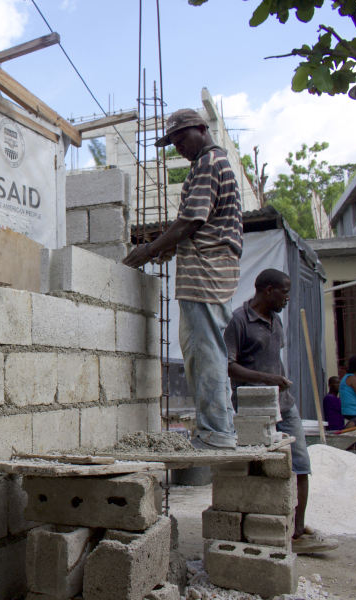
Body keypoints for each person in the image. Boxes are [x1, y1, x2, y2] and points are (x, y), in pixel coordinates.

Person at [123, 108, 243, 450]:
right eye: (173, 143)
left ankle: (217, 433)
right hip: (208, 269)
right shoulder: (212, 164)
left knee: (205, 354)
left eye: (181, 138)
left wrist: (148, 250)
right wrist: (166, 249)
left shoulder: (208, 163)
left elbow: (190, 222)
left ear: (202, 130)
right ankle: (219, 429)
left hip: (206, 272)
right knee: (205, 352)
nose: (179, 147)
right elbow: (199, 226)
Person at [223, 269, 338, 554]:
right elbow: (228, 366)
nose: (288, 298)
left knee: (300, 465)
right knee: (258, 468)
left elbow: (275, 361)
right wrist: (268, 380)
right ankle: (256, 529)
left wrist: (278, 383)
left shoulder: (276, 320)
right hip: (253, 410)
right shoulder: (239, 320)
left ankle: (297, 533)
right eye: (285, 292)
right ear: (269, 290)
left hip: (285, 406)